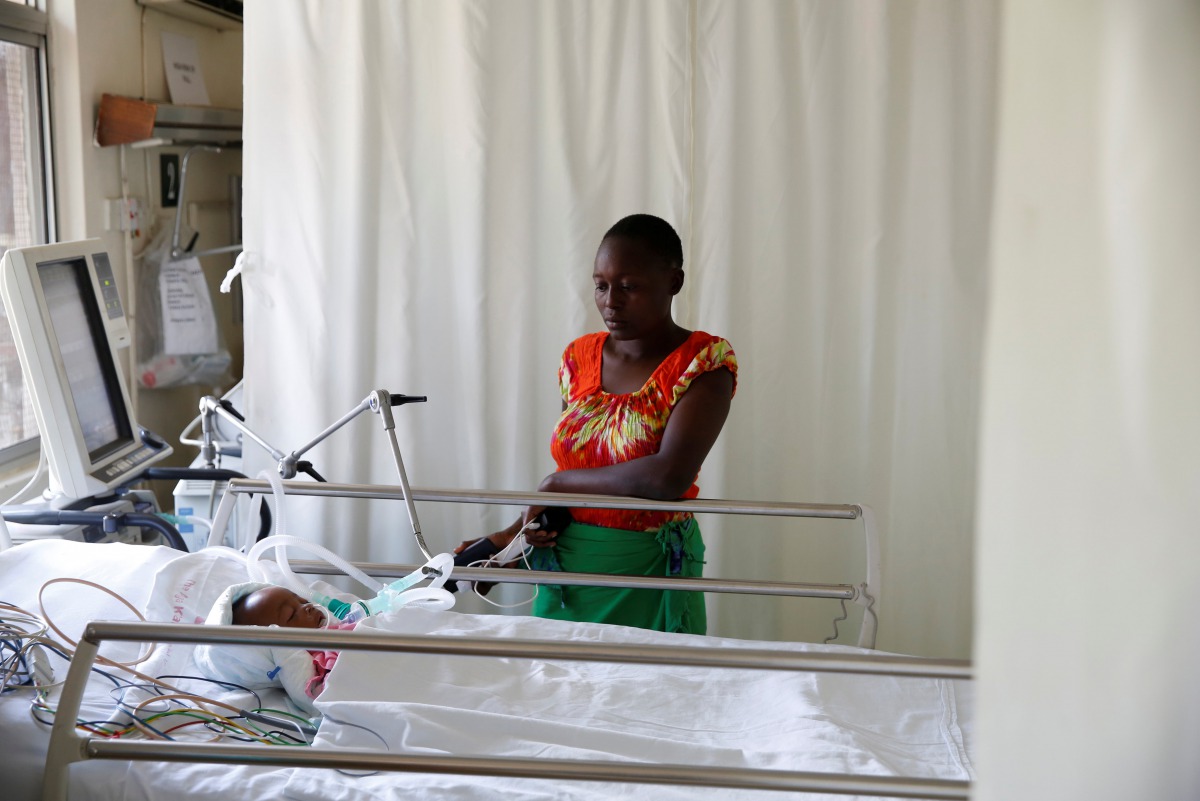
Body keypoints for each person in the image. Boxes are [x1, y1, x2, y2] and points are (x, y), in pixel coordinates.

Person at [460, 213, 737, 634]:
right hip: (565, 565)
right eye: (601, 286)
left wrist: (554, 486)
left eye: (629, 287)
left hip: (644, 567)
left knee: (647, 689)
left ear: (674, 282)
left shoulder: (703, 363)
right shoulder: (579, 357)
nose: (611, 301)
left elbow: (667, 478)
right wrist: (512, 539)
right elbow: (585, 472)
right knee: (560, 687)